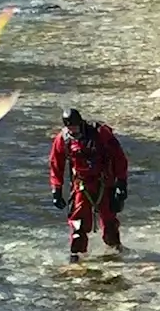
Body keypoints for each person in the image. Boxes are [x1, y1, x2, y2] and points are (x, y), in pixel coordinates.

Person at [48, 107, 129, 262]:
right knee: (78, 224)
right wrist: (56, 189)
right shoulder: (63, 139)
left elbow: (119, 157)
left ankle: (115, 253)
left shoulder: (101, 133)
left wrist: (121, 182)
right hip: (81, 186)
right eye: (70, 128)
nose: (73, 131)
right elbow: (55, 164)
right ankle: (77, 258)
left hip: (105, 182)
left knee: (109, 222)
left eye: (75, 128)